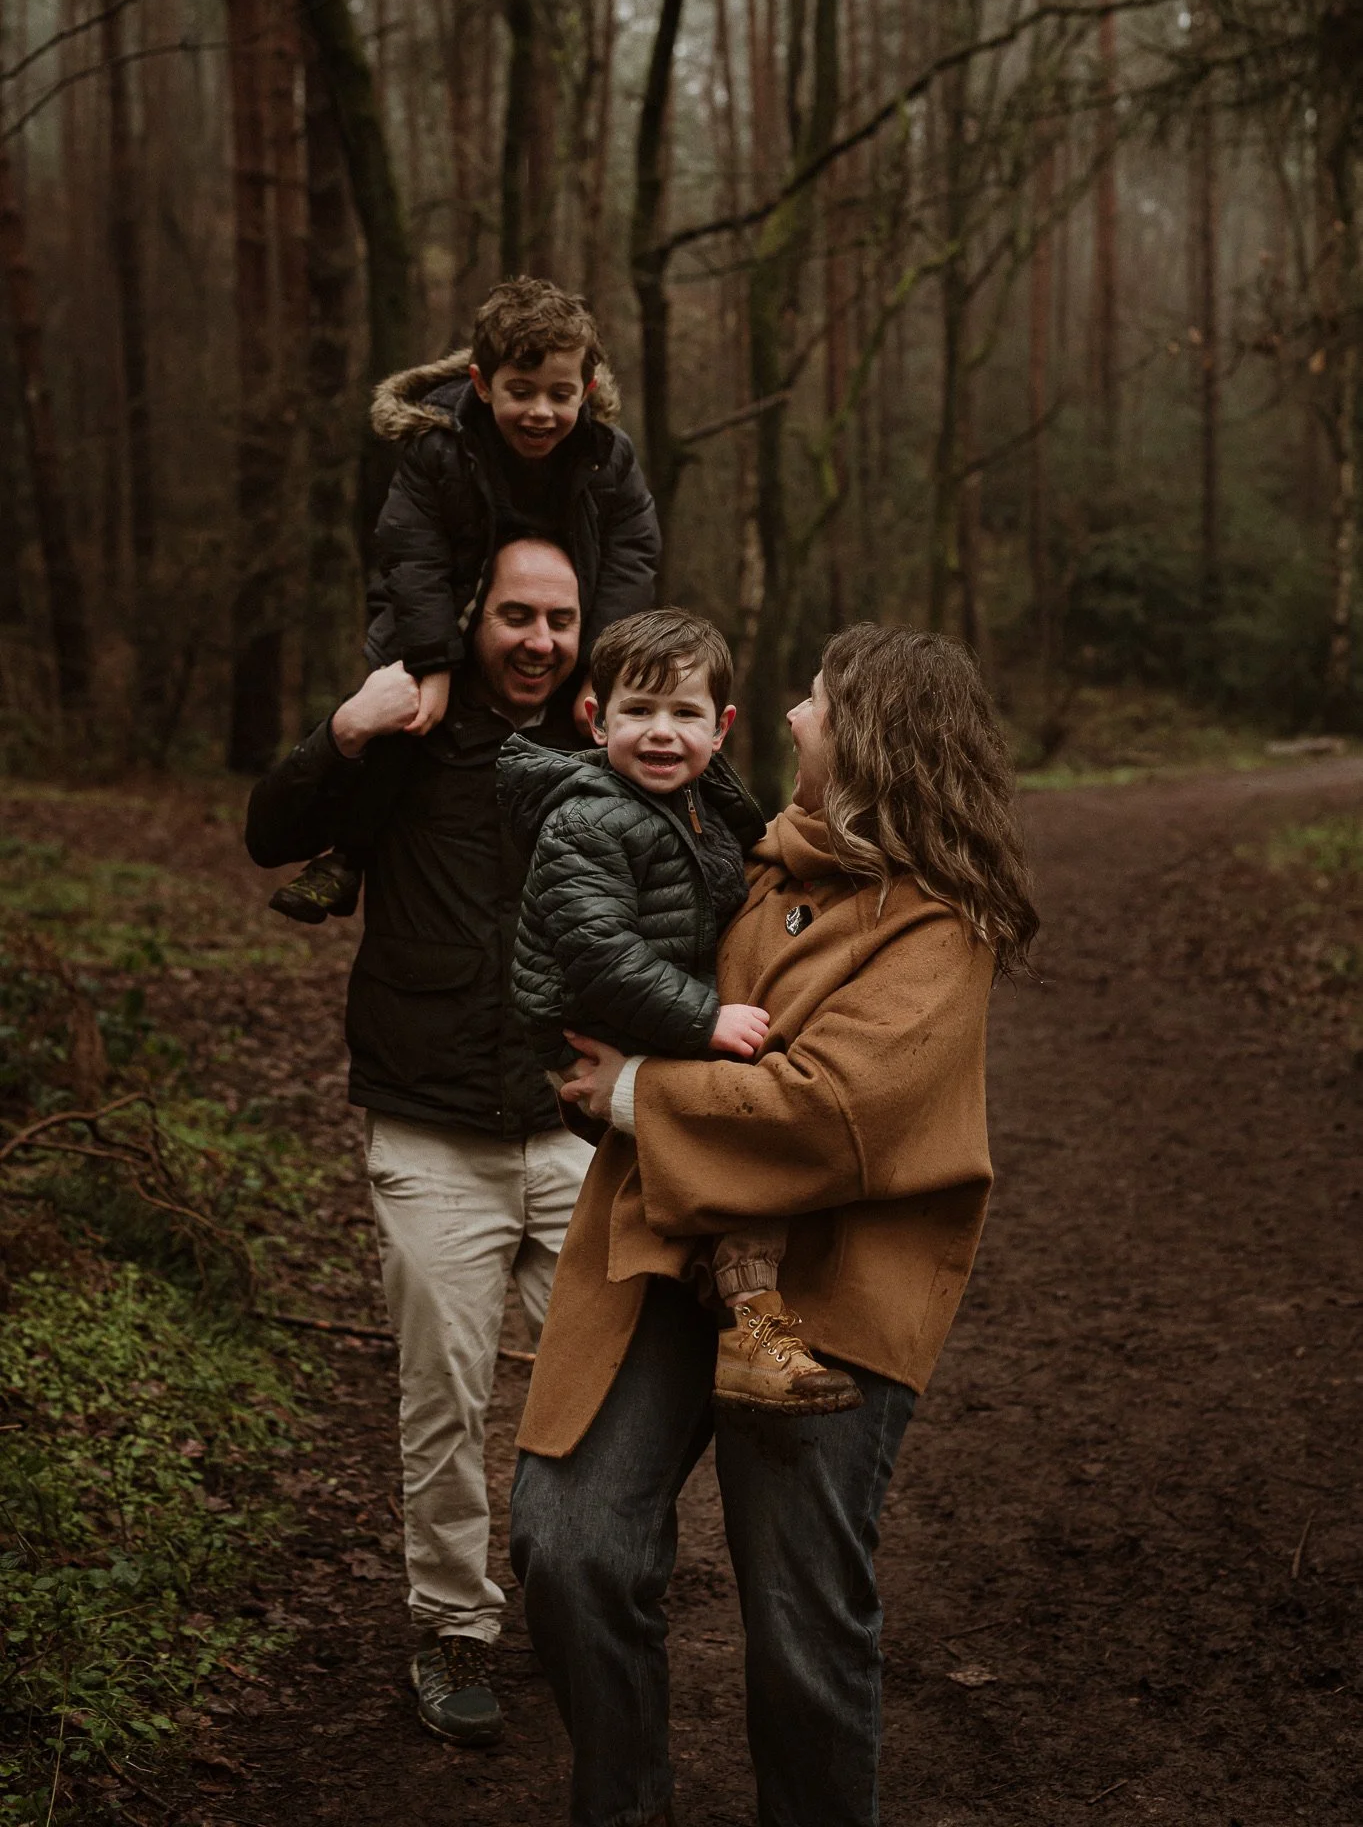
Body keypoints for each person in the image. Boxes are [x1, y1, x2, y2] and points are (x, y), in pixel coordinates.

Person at [508, 622, 1039, 1827]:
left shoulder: (940, 923)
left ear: (869, 740)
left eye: (815, 700)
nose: (795, 716)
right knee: (569, 1542)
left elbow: (829, 1109)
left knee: (799, 1619)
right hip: (662, 1246)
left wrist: (637, 1093)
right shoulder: (738, 856)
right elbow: (598, 961)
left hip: (826, 1296)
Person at [245, 537, 598, 1750]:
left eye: (558, 617)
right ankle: (452, 1626)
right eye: (516, 615)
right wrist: (344, 728)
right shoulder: (403, 741)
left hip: (574, 1126)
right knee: (441, 1395)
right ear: (473, 618)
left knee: (603, 1384)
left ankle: (580, 1592)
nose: (538, 639)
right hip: (429, 1128)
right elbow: (269, 829)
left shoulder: (609, 742)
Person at [497, 606, 863, 1415]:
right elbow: (597, 957)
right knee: (753, 1134)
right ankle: (755, 1336)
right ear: (595, 719)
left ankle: (737, 1312)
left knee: (752, 1137)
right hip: (596, 1027)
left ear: (721, 727)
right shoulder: (585, 818)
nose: (660, 733)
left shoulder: (693, 801)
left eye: (684, 714)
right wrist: (705, 1020)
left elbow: (747, 848)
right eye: (638, 711)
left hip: (650, 1014)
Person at [269, 276, 659, 924]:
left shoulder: (605, 458)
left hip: (551, 624)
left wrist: (600, 658)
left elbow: (632, 556)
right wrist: (433, 662)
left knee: (593, 732)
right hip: (437, 615)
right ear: (482, 384)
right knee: (406, 721)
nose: (541, 412)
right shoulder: (439, 449)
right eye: (520, 392)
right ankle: (350, 855)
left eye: (560, 395)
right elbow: (410, 553)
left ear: (585, 392)